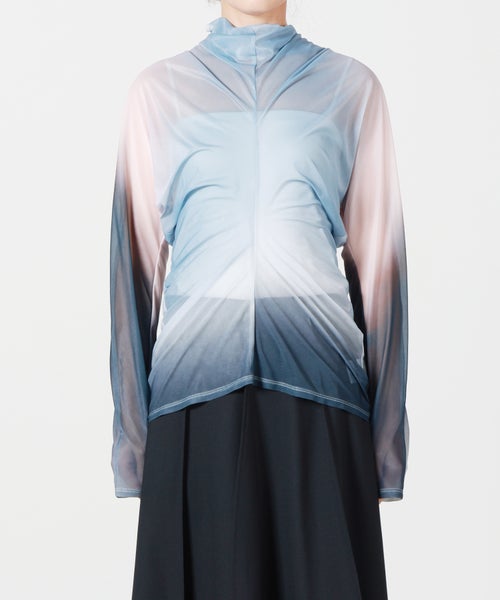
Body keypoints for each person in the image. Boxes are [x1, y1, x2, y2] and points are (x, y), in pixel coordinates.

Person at [109, 1, 410, 598]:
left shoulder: (350, 87)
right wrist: (136, 443)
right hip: (193, 404)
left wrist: (385, 445)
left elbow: (382, 277)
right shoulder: (158, 92)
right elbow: (132, 272)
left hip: (321, 400)